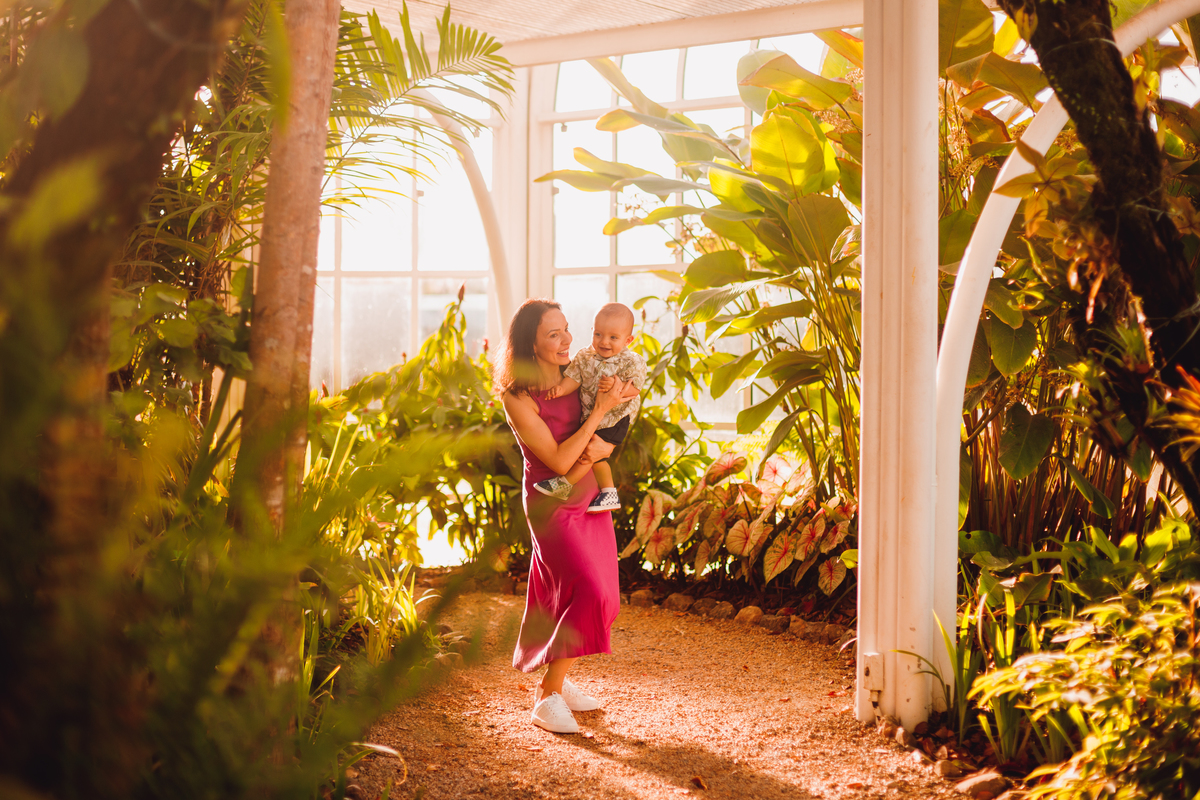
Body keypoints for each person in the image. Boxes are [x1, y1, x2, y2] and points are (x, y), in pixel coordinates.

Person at [495, 298, 639, 735]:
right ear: (530, 345)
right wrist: (598, 413)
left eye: (566, 329)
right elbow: (557, 460)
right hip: (551, 499)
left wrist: (612, 426)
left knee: (603, 593)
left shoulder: (581, 369)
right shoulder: (516, 396)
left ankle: (560, 677)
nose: (568, 340)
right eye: (553, 334)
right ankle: (546, 695)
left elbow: (622, 404)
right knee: (590, 590)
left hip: (589, 493)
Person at [532, 303, 647, 513]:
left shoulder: (631, 361)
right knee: (597, 457)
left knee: (590, 452)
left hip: (615, 417)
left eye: (613, 337)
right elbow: (574, 378)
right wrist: (561, 389)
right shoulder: (585, 356)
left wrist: (616, 386)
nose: (604, 341)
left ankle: (565, 484)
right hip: (593, 417)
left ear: (628, 340)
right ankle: (609, 492)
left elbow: (635, 389)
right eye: (598, 334)